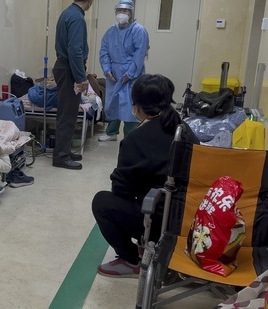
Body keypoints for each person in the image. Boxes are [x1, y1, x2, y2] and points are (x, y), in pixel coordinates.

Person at [92, 74, 199, 278]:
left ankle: (131, 260)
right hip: (190, 220)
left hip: (160, 221)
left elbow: (122, 190)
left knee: (102, 202)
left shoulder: (136, 139)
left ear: (137, 107)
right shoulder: (184, 130)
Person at [98, 0, 149, 142]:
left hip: (132, 73)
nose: (121, 14)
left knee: (130, 106)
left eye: (125, 11)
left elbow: (139, 55)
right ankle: (111, 133)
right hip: (113, 73)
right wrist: (107, 69)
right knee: (113, 102)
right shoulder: (111, 31)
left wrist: (130, 74)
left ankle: (131, 137)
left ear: (131, 13)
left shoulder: (139, 30)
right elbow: (104, 51)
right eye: (119, 11)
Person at [52, 0, 94, 170]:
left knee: (67, 113)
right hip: (69, 69)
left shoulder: (68, 13)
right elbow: (75, 51)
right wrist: (81, 78)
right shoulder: (77, 18)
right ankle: (61, 156)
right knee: (67, 115)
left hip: (64, 67)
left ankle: (65, 150)